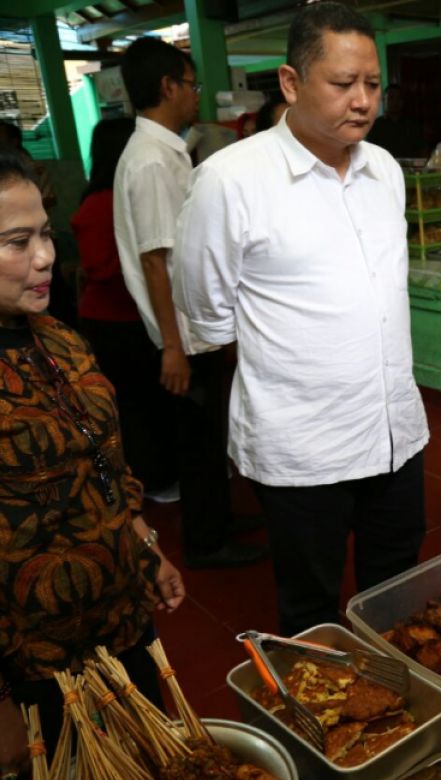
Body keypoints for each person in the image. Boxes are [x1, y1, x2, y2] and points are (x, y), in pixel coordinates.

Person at [174, 2, 429, 635]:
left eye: (372, 84)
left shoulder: (385, 170)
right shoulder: (231, 181)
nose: (363, 100)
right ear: (291, 83)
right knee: (311, 610)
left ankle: (402, 711)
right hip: (302, 449)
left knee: (398, 595)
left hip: (395, 432)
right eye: (343, 84)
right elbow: (207, 314)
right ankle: (320, 729)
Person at [0, 150, 185, 780]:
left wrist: (144, 543)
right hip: (34, 657)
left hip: (119, 620)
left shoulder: (57, 336)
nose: (46, 256)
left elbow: (102, 461)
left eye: (45, 234)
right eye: (18, 242)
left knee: (158, 771)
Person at [114, 37, 265, 569]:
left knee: (209, 435)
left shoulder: (166, 152)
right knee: (199, 443)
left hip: (192, 328)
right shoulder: (151, 161)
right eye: (192, 84)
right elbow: (157, 262)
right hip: (182, 334)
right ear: (167, 86)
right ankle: (207, 542)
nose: (196, 95)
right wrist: (173, 348)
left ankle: (220, 519)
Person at [72, 117, 176, 501]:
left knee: (141, 404)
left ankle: (157, 476)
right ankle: (155, 480)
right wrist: (146, 268)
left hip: (119, 318)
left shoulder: (102, 196)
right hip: (117, 320)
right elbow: (102, 267)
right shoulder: (104, 202)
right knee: (138, 406)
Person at [365, 83, 426, 158]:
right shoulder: (376, 125)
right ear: (384, 101)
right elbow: (369, 151)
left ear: (403, 101)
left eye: (398, 98)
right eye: (391, 98)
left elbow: (422, 149)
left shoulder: (412, 124)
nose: (395, 102)